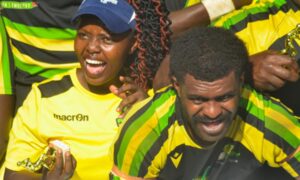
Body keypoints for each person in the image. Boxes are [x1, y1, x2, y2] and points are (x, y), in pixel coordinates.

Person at [111, 27, 300, 180]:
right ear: (177, 86)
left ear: (241, 82)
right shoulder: (143, 129)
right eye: (198, 99)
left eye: (224, 97)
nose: (212, 112)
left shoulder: (271, 120)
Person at [2, 0, 150, 179]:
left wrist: (147, 117)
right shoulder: (44, 98)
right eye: (83, 35)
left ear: (133, 44)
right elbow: (13, 174)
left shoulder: (146, 101)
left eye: (106, 39)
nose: (92, 47)